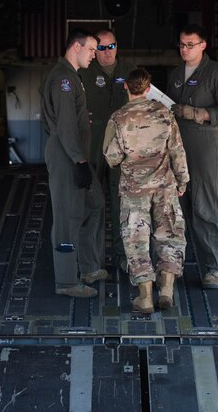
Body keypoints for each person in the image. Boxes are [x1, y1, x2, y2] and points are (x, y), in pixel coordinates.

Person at [103, 68, 189, 314]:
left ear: (126, 88)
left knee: (136, 240)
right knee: (170, 235)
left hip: (134, 190)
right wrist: (182, 181)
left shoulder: (118, 118)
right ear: (149, 88)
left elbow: (112, 158)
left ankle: (145, 298)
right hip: (165, 186)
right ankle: (166, 291)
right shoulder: (164, 114)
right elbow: (177, 151)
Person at [167, 24, 218, 289]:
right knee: (176, 209)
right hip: (176, 150)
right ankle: (172, 266)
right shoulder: (176, 74)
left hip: (205, 150)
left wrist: (199, 114)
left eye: (190, 45)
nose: (184, 50)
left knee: (206, 208)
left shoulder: (217, 74)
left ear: (203, 46)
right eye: (181, 45)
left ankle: (213, 268)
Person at [40, 28, 107, 298]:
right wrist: (79, 160)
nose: (95, 55)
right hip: (69, 157)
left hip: (74, 153)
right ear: (76, 47)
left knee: (95, 203)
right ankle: (67, 282)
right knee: (67, 218)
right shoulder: (64, 79)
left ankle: (89, 266)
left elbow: (56, 120)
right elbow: (64, 125)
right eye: (92, 49)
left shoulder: (72, 78)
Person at [77, 28, 137, 272]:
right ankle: (93, 260)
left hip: (122, 147)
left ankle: (124, 256)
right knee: (92, 203)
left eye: (111, 46)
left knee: (123, 202)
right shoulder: (84, 69)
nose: (106, 52)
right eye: (100, 48)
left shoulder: (130, 70)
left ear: (117, 47)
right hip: (92, 146)